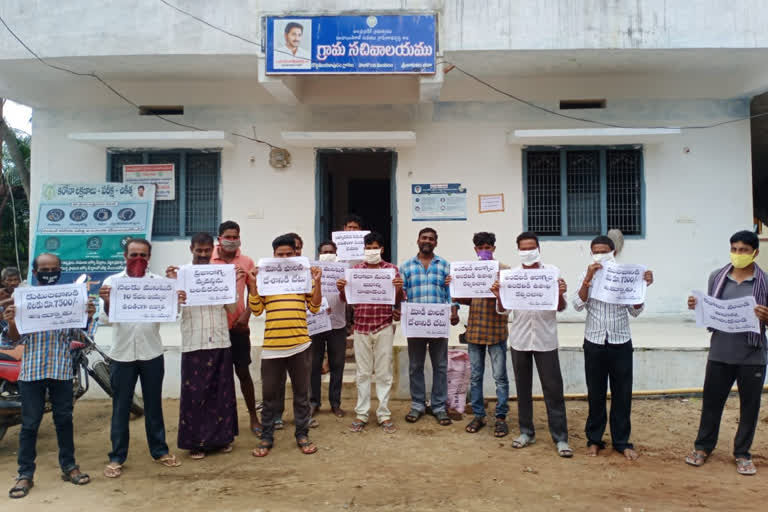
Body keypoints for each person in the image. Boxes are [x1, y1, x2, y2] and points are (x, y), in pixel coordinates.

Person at [2, 254, 95, 499]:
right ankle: (25, 473)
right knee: (30, 424)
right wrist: (11, 320)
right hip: (31, 371)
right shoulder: (24, 299)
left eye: (54, 268)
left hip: (61, 370)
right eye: (44, 269)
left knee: (64, 420)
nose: (49, 272)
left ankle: (69, 466)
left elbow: (81, 331)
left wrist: (89, 314)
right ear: (35, 271)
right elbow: (13, 338)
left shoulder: (69, 298)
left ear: (60, 270)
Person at [685, 230, 768, 475]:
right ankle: (702, 448)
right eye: (734, 249)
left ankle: (742, 454)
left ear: (755, 253)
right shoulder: (717, 277)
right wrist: (697, 306)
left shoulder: (764, 282)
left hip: (752, 356)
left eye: (743, 250)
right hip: (720, 352)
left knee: (749, 408)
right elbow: (712, 309)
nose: (738, 254)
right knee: (711, 403)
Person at [99, 239, 181, 478]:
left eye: (143, 255)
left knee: (154, 404)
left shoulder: (159, 284)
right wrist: (106, 301)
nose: (138, 259)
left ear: (150, 256)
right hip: (122, 355)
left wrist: (177, 296)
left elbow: (172, 313)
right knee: (120, 407)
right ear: (125, 256)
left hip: (152, 353)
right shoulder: (111, 283)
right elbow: (105, 320)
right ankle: (116, 456)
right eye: (133, 254)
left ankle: (159, 451)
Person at [573, 235, 654, 460]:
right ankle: (594, 439)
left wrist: (642, 287)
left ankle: (621, 441)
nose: (600, 255)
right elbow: (578, 304)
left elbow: (635, 310)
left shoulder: (625, 274)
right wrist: (588, 278)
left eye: (604, 251)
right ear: (591, 254)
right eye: (596, 251)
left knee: (622, 393)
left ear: (613, 253)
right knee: (595, 393)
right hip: (594, 341)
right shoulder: (585, 274)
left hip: (620, 341)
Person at [494, 232, 572, 457]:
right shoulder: (511, 276)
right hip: (519, 340)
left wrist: (560, 293)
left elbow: (560, 307)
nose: (528, 252)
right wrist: (499, 294)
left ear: (539, 249)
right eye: (523, 248)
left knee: (553, 389)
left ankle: (561, 438)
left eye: (531, 248)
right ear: (518, 251)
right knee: (523, 388)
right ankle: (526, 432)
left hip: (546, 340)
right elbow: (503, 309)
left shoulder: (552, 273)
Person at [167, 233, 240, 460]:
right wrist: (172, 287)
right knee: (195, 394)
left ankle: (222, 439)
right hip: (193, 342)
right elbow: (171, 311)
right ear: (191, 249)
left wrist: (232, 284)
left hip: (219, 339)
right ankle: (195, 443)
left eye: (207, 250)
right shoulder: (180, 275)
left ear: (213, 250)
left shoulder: (221, 274)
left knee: (221, 393)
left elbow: (231, 309)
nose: (203, 254)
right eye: (199, 250)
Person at [248, 234, 322, 456]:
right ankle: (267, 437)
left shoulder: (303, 277)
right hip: (272, 347)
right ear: (273, 256)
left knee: (301, 395)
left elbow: (315, 307)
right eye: (280, 255)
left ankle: (302, 434)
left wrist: (317, 282)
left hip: (300, 345)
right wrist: (252, 285)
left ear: (296, 254)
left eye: (289, 254)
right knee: (269, 396)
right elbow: (256, 310)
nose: (285, 258)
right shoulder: (265, 278)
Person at [337, 231, 404, 433]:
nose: (371, 251)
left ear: (382, 249)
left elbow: (398, 301)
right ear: (363, 250)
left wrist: (399, 289)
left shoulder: (392, 270)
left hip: (384, 325)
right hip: (361, 326)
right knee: (363, 373)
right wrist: (342, 289)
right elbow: (347, 301)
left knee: (384, 372)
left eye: (375, 248)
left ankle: (383, 414)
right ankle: (362, 413)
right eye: (368, 248)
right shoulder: (354, 271)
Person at [400, 227, 459, 427]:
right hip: (416, 325)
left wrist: (454, 310)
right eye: (424, 238)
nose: (427, 241)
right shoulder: (406, 266)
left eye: (431, 238)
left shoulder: (445, 266)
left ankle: (439, 407)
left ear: (436, 242)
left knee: (440, 366)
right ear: (418, 240)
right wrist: (399, 310)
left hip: (438, 324)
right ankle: (417, 404)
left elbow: (450, 292)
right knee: (415, 366)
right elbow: (402, 293)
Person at [455, 232, 511, 436]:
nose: (484, 250)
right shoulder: (470, 271)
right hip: (475, 330)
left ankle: (501, 417)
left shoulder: (504, 271)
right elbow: (466, 299)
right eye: (480, 247)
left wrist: (499, 290)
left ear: (494, 248)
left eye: (488, 247)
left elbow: (508, 304)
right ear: (475, 250)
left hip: (496, 331)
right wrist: (455, 286)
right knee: (476, 376)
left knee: (500, 377)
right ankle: (478, 414)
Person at [210, 221, 261, 434]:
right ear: (219, 238)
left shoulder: (247, 261)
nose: (232, 240)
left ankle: (253, 417)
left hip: (239, 328)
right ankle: (222, 422)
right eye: (228, 236)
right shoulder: (208, 261)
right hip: (214, 328)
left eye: (235, 236)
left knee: (243, 373)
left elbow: (254, 291)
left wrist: (247, 315)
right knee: (218, 377)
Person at [310, 240, 347, 418]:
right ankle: (313, 402)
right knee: (314, 364)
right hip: (316, 324)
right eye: (325, 251)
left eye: (331, 251)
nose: (328, 254)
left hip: (337, 324)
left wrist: (344, 289)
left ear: (336, 253)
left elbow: (351, 298)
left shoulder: (343, 271)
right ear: (319, 254)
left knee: (337, 365)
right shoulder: (311, 271)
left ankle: (335, 403)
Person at [0, 267, 24, 360]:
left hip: (21, 334)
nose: (13, 283)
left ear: (19, 281)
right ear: (3, 282)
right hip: (5, 333)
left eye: (15, 279)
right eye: (9, 280)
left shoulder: (26, 292)